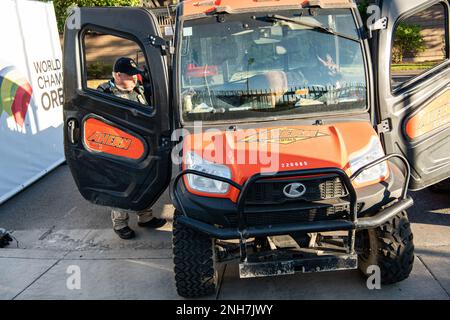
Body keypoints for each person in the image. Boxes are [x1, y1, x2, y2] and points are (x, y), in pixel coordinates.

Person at [97, 57, 167, 239]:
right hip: (117, 149)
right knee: (122, 185)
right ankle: (120, 223)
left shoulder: (139, 89)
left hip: (140, 146)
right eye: (131, 76)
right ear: (118, 75)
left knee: (144, 181)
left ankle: (145, 217)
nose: (135, 79)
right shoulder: (104, 93)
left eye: (136, 76)